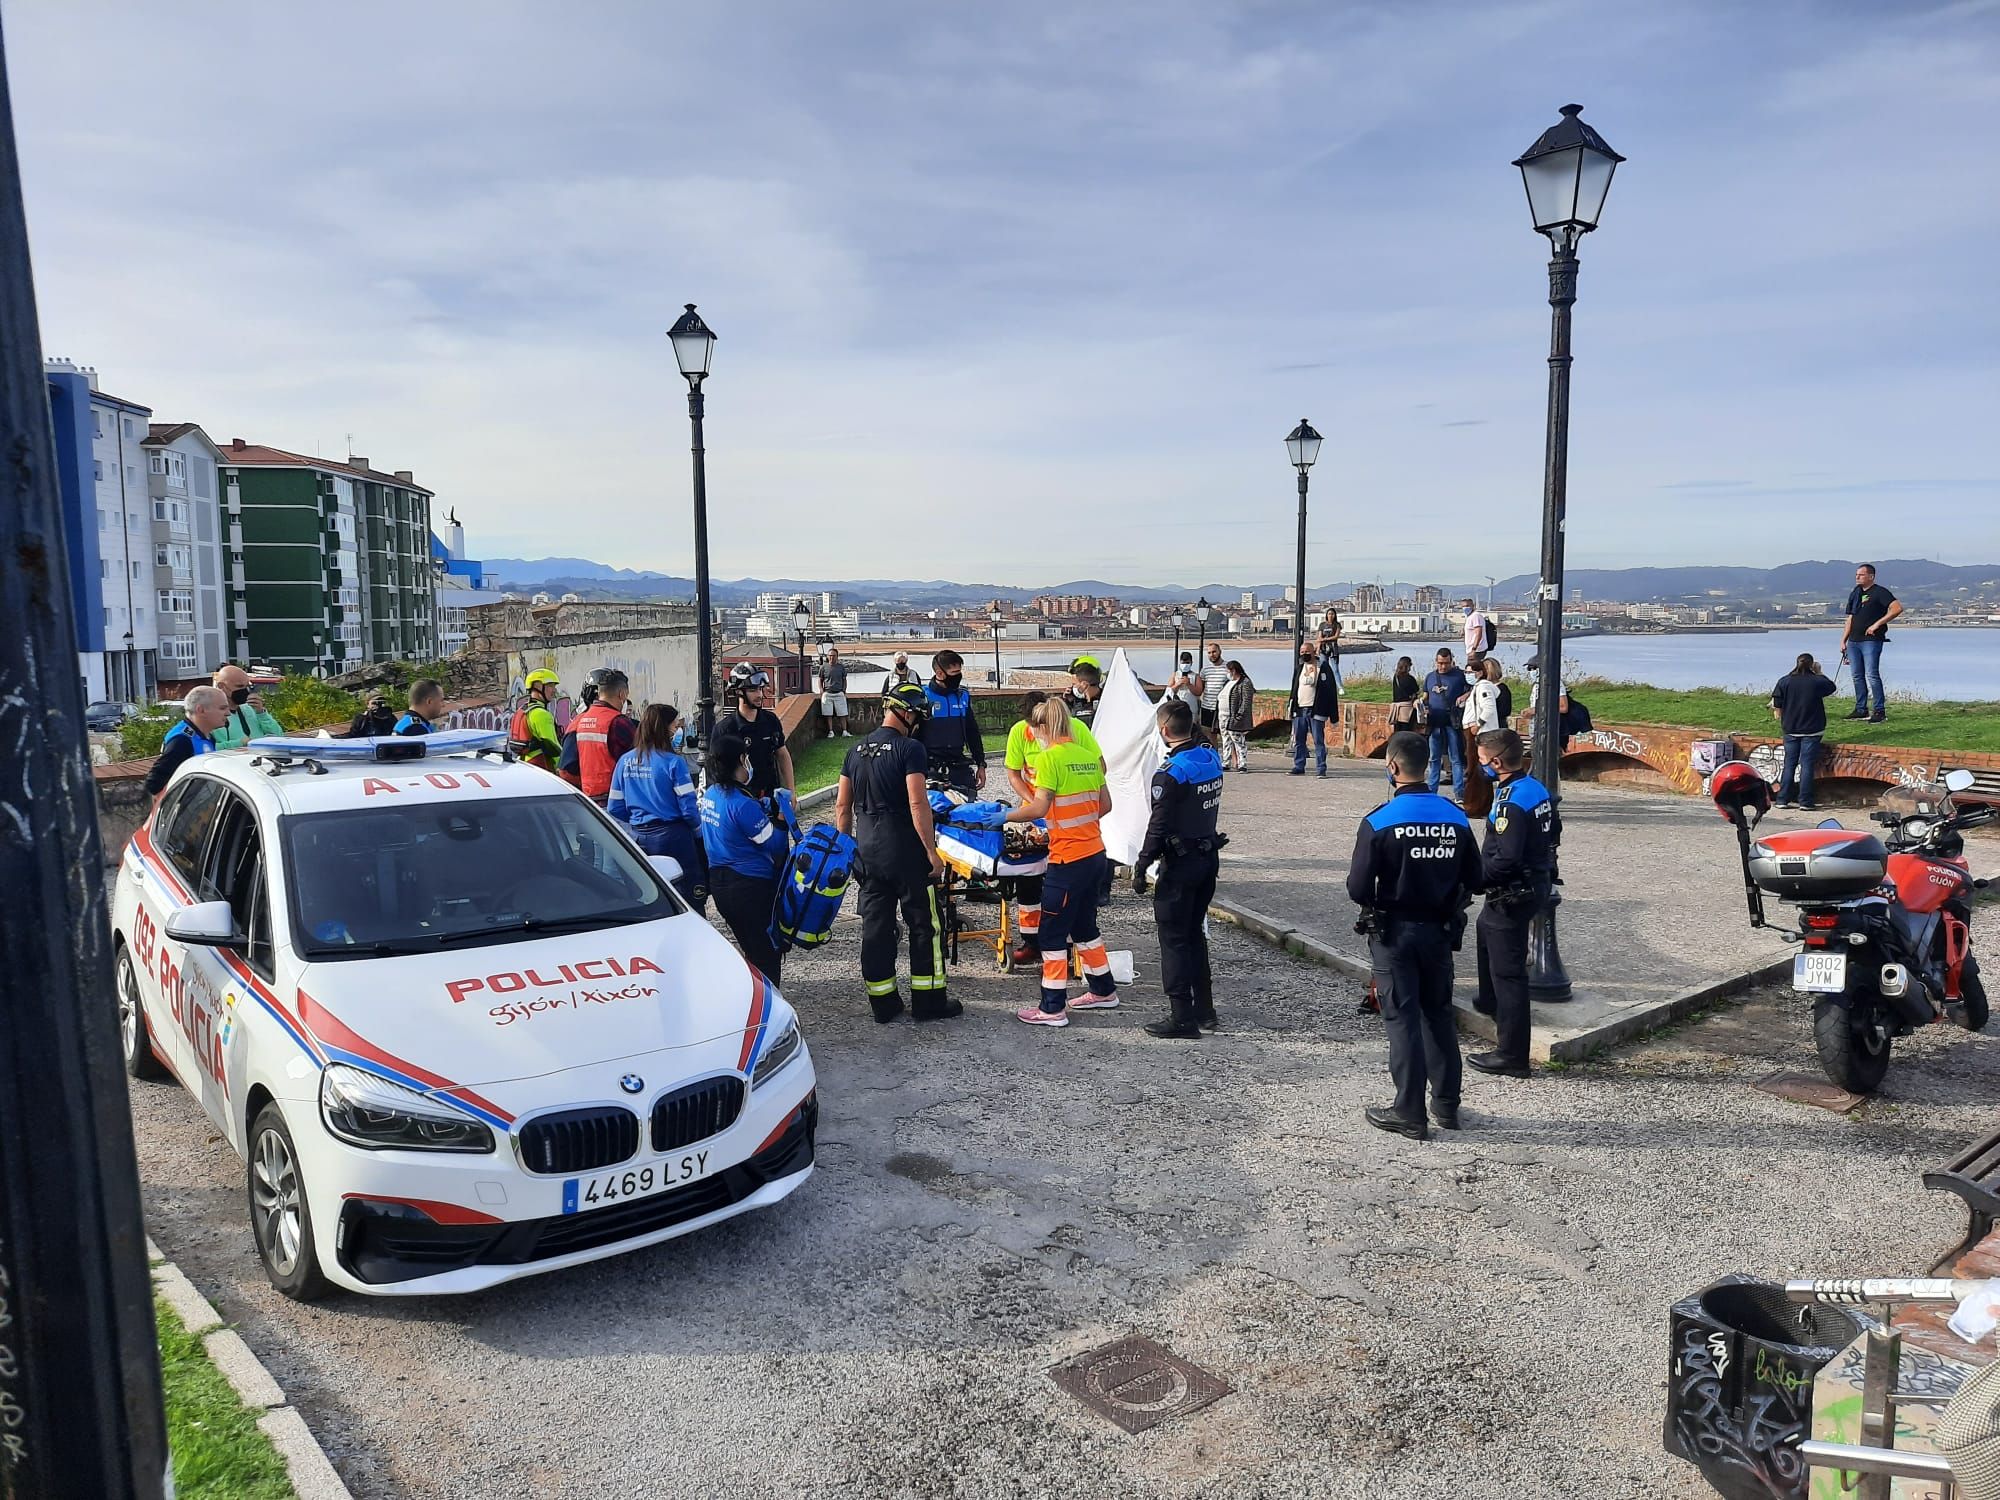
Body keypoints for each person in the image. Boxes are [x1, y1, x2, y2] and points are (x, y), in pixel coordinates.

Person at [1345, 731, 1483, 1140]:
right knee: (1438, 1014)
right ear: (1428, 767)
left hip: (1395, 932)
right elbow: (1475, 878)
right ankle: (1446, 1104)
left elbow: (1357, 887)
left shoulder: (1379, 820)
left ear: (1392, 766)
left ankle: (1408, 1109)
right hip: (1439, 930)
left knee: (1402, 1018)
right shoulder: (1455, 816)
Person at [837, 683, 958, 1024]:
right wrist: (932, 853)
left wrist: (847, 850)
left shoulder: (854, 751)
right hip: (903, 848)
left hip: (868, 851)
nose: (918, 722)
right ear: (906, 713)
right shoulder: (910, 749)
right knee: (925, 925)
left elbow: (842, 807)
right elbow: (917, 802)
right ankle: (929, 1001)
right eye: (918, 716)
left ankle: (884, 1004)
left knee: (876, 928)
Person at [1005, 696, 1118, 1027]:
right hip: (1095, 853)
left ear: (1042, 728)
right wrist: (1077, 821)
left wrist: (1000, 816)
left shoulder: (1050, 760)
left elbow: (1038, 809)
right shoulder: (1087, 756)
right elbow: (1106, 805)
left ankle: (1052, 1007)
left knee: (1052, 934)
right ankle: (1103, 990)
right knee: (1084, 927)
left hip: (1067, 859)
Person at [1131, 699, 1226, 1039]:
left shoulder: (1171, 773)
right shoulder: (1210, 758)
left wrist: (1142, 865)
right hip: (1207, 858)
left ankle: (1181, 1017)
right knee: (1194, 935)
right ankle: (1205, 1010)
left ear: (1164, 730)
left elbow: (1158, 826)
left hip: (1181, 865)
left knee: (1173, 939)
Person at [1469, 728, 1555, 1080]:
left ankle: (1512, 1054)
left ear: (1497, 761)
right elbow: (1555, 832)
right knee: (1484, 930)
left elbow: (1504, 858)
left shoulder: (1510, 803)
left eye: (1481, 759)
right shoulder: (1535, 788)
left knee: (1510, 974)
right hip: (1534, 883)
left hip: (1512, 892)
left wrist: (1472, 879)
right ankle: (1490, 1002)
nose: (1479, 765)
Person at [1003, 690, 1103, 967]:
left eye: (1035, 727)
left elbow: (1098, 769)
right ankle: (1032, 940)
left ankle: (1053, 1000)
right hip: (1044, 817)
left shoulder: (1064, 744)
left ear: (1045, 723)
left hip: (1060, 829)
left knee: (1059, 899)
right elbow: (1014, 773)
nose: (1031, 733)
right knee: (1028, 877)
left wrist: (1005, 817)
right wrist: (1035, 803)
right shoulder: (1020, 733)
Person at [699, 736, 790, 983]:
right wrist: (782, 818)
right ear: (740, 760)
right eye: (745, 757)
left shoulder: (711, 795)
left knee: (750, 948)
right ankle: (769, 1006)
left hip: (720, 885)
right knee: (766, 953)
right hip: (751, 887)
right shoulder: (741, 804)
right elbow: (775, 844)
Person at [608, 703, 707, 910]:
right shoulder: (674, 763)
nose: (676, 729)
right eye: (674, 725)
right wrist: (699, 836)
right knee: (688, 899)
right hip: (674, 839)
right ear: (664, 728)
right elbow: (689, 809)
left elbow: (615, 808)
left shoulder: (624, 762)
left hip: (637, 838)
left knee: (647, 899)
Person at [716, 662, 794, 797]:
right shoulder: (725, 729)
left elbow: (782, 754)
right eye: (753, 690)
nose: (759, 695)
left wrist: (791, 791)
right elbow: (716, 770)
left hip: (771, 796)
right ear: (739, 691)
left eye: (760, 689)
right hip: (741, 800)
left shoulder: (771, 721)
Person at [561, 668, 637, 805]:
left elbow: (566, 769)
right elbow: (639, 762)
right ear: (622, 694)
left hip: (590, 801)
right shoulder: (618, 721)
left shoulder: (580, 721)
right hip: (616, 799)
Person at [1770, 653, 1837, 810]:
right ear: (1812, 665)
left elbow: (1777, 702)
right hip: (1812, 728)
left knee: (1789, 764)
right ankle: (1805, 801)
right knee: (1807, 765)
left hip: (1791, 728)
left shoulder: (1785, 681)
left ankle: (1782, 799)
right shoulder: (1816, 681)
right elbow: (1831, 687)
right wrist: (1819, 672)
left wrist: (1780, 715)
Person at [145, 685, 231, 803]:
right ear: (201, 710)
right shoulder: (182, 740)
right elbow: (153, 784)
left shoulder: (206, 736)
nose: (228, 713)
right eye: (222, 708)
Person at [1839, 562, 1902, 723]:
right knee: (1856, 675)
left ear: (1871, 576)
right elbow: (1850, 617)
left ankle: (1879, 711)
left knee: (1872, 674)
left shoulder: (1880, 592)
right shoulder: (1855, 592)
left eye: (1861, 574)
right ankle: (1861, 709)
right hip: (1854, 640)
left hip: (1871, 640)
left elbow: (1897, 608)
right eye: (1856, 575)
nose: (1857, 577)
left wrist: (1877, 624)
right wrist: (1843, 640)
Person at [918, 650, 987, 795]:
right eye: (954, 673)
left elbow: (972, 732)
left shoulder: (963, 695)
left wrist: (980, 764)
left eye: (959, 672)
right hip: (930, 765)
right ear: (940, 673)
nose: (958, 677)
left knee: (968, 807)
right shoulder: (922, 696)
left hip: (958, 763)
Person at [1421, 648, 1471, 799]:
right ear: (1436, 662)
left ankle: (1459, 793)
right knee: (1434, 758)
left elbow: (1472, 689)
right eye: (1440, 663)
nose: (1443, 666)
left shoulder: (1460, 676)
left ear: (1452, 661)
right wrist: (1420, 703)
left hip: (1451, 722)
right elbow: (1425, 696)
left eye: (1446, 663)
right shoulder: (1430, 677)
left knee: (1455, 758)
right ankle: (1431, 791)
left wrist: (1464, 696)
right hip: (1434, 722)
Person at [209, 664, 283, 750]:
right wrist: (240, 743)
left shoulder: (250, 708)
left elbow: (278, 735)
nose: (245, 690)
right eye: (239, 686)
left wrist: (261, 713)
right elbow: (207, 748)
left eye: (247, 686)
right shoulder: (210, 715)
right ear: (221, 686)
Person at [1290, 641, 1335, 777]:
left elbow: (1330, 690)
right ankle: (1299, 766)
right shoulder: (1299, 668)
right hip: (1300, 709)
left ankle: (1321, 768)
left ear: (1313, 652)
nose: (1304, 654)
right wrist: (1291, 706)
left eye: (1307, 652)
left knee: (1318, 741)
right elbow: (1294, 688)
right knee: (1299, 740)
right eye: (1302, 652)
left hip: (1315, 710)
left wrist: (1333, 714)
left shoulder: (1323, 667)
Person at [508, 669, 565, 772]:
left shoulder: (522, 710)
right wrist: (563, 770)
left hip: (524, 765)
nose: (554, 690)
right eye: (550, 686)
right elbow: (554, 749)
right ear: (538, 686)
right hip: (542, 767)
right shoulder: (542, 715)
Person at [1525, 656, 1570, 750]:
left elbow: (1563, 707)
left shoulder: (1555, 683)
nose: (1531, 671)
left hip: (1549, 733)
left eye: (1534, 668)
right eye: (1529, 668)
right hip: (1536, 732)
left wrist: (1535, 710)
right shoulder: (1536, 686)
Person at [1220, 660, 1255, 772]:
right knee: (1226, 739)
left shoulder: (1245, 682)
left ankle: (1242, 763)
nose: (1227, 673)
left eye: (1228, 670)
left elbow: (1246, 701)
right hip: (1223, 715)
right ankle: (1226, 761)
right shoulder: (1228, 682)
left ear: (1233, 670)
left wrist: (1239, 715)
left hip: (1234, 716)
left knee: (1238, 740)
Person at [1199, 642, 1231, 734]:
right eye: (1209, 653)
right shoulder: (1205, 670)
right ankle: (1213, 749)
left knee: (1226, 735)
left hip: (1223, 708)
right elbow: (1201, 688)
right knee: (1209, 735)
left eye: (1214, 652)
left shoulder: (1228, 667)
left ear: (1220, 652)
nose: (1211, 655)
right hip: (1207, 707)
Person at [1065, 656, 1104, 730]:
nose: (1071, 687)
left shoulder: (1107, 702)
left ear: (1084, 685)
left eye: (1074, 684)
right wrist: (1067, 702)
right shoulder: (1073, 701)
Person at [820, 647, 851, 738]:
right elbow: (820, 679)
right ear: (827, 656)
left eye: (833, 656)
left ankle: (844, 731)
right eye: (830, 656)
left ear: (837, 656)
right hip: (827, 693)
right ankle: (830, 731)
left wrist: (844, 690)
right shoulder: (823, 667)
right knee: (828, 713)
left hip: (839, 693)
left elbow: (844, 679)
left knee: (843, 713)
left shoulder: (841, 667)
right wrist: (821, 690)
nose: (831, 658)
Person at [1388, 656, 1421, 731]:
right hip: (1407, 709)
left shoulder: (1396, 677)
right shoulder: (1410, 678)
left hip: (1396, 709)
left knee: (1397, 730)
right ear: (1408, 666)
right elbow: (1416, 690)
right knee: (1407, 730)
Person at [1461, 598, 1492, 665]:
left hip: (1477, 650)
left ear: (1473, 606)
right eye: (1463, 606)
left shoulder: (1476, 616)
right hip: (1471, 650)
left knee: (1472, 670)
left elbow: (1479, 633)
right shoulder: (1469, 617)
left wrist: (1474, 649)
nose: (1465, 608)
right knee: (1472, 669)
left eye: (1467, 606)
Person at [1485, 656, 1513, 727]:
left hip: (1497, 725)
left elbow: (1505, 710)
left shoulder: (1502, 689)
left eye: (1487, 669)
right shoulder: (1483, 687)